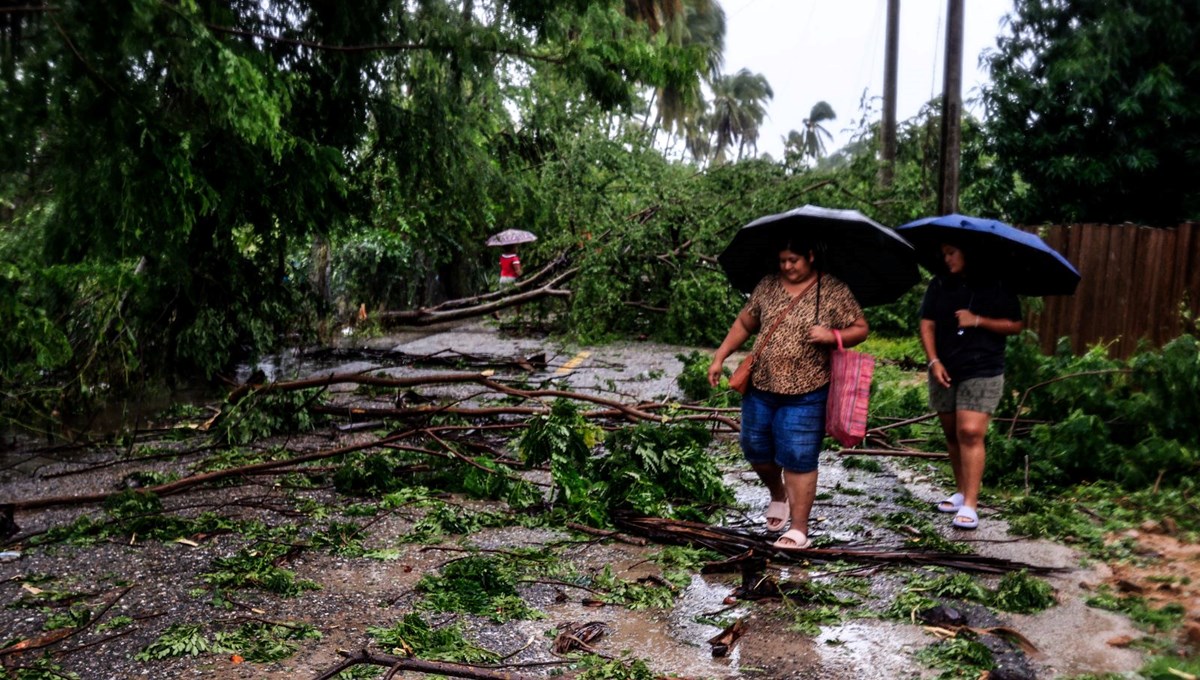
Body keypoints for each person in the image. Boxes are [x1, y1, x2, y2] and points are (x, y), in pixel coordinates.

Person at [707, 238, 869, 549]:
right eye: (782, 260)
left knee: (798, 456)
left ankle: (798, 529)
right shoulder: (768, 285)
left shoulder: (832, 289)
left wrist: (833, 335)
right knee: (754, 446)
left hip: (808, 389)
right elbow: (745, 322)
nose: (787, 266)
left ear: (810, 255)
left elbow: (860, 328)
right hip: (762, 385)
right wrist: (720, 356)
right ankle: (777, 494)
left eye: (793, 260)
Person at [919, 243, 1024, 530]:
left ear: (970, 253)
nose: (947, 258)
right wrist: (933, 362)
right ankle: (961, 490)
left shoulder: (998, 285)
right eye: (944, 253)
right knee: (952, 433)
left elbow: (1015, 325)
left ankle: (970, 505)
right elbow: (926, 325)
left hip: (983, 368)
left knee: (970, 432)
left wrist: (978, 320)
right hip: (945, 368)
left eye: (952, 252)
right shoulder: (939, 284)